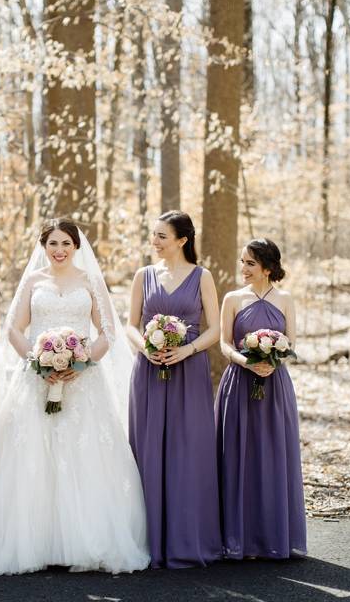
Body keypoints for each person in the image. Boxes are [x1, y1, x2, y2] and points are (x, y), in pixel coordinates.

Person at [0, 218, 149, 575]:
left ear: (76, 247)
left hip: (83, 382)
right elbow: (14, 329)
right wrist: (37, 362)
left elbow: (107, 332)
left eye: (65, 243)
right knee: (35, 455)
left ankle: (81, 540)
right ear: (44, 246)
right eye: (53, 243)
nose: (59, 250)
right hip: (36, 378)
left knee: (81, 454)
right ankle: (38, 542)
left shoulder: (89, 282)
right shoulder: (34, 282)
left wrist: (82, 363)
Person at [126, 211, 223, 568]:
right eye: (153, 235)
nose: (155, 242)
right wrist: (145, 348)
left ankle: (188, 538)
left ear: (182, 240)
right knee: (148, 449)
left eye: (162, 236)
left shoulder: (202, 276)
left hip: (190, 370)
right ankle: (149, 540)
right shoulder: (143, 275)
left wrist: (187, 349)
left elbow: (214, 329)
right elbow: (130, 325)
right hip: (148, 372)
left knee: (189, 449)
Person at [216, 238, 306, 559]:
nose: (243, 268)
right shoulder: (232, 299)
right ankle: (237, 537)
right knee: (238, 456)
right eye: (242, 262)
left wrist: (273, 361)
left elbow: (291, 341)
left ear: (268, 267)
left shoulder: (284, 299)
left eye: (250, 263)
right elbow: (225, 344)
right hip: (239, 383)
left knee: (271, 457)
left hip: (275, 385)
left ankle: (271, 535)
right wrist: (247, 361)